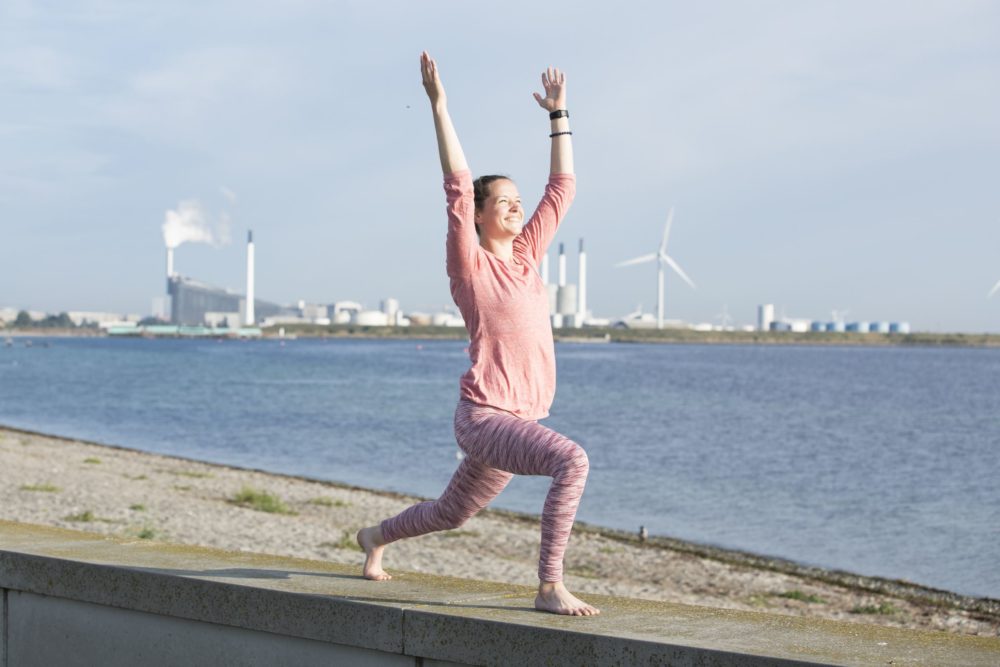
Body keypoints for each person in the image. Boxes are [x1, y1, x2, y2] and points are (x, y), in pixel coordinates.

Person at [356, 52, 599, 617]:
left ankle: (374, 538)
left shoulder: (525, 256)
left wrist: (559, 116)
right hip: (485, 417)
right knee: (573, 462)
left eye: (519, 201)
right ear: (482, 216)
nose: (518, 207)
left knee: (452, 512)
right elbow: (458, 187)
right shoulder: (469, 264)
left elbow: (562, 187)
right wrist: (440, 106)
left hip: (518, 421)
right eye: (505, 202)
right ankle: (548, 586)